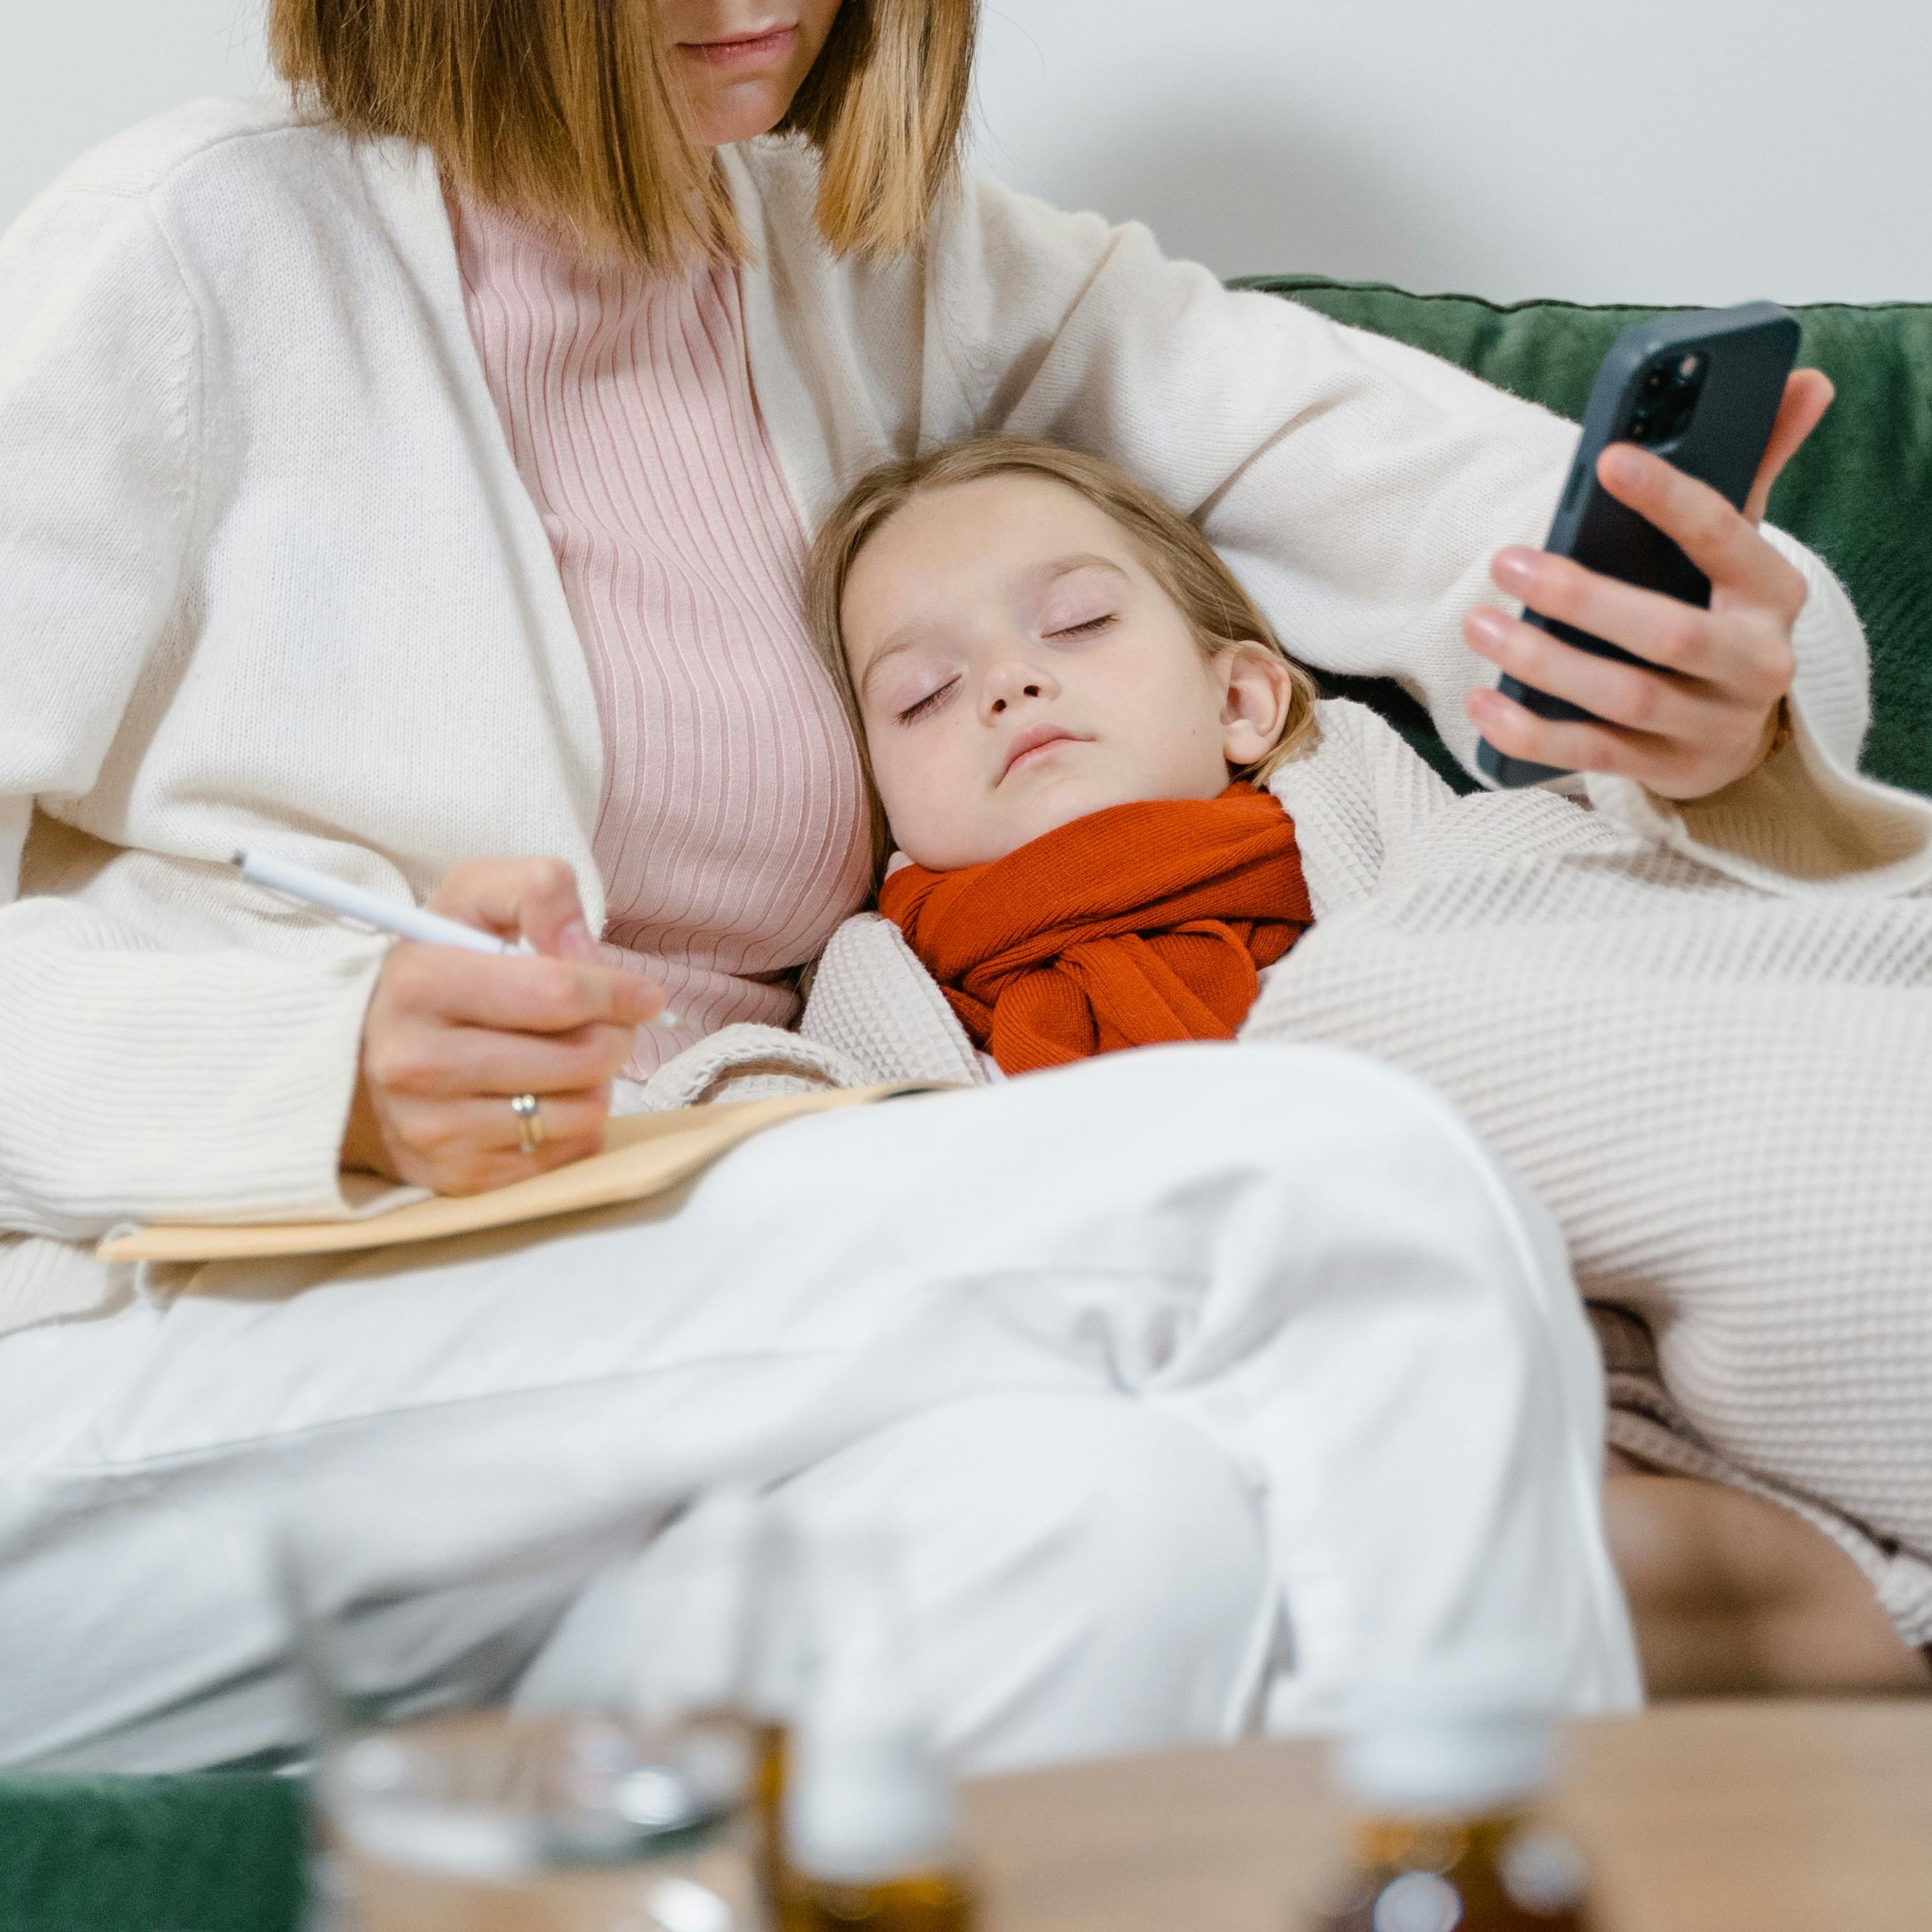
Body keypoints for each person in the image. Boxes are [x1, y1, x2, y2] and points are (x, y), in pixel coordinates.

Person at [0, 0, 1891, 1767]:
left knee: (1121, 1522)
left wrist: (1702, 668)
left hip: (651, 1375)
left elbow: (1479, 511)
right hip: (151, 1357)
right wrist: (320, 1065)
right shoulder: (189, 251)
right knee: (1318, 1178)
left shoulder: (879, 266)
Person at [782, 431, 1932, 1693]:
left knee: (1615, 1531)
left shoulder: (1432, 869)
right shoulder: (885, 1002)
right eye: (922, 696)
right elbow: (773, 1184)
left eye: (1074, 622)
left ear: (1242, 700)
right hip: (1236, 1460)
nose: (1005, 682)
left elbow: (1694, 970)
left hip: (1612, 1398)